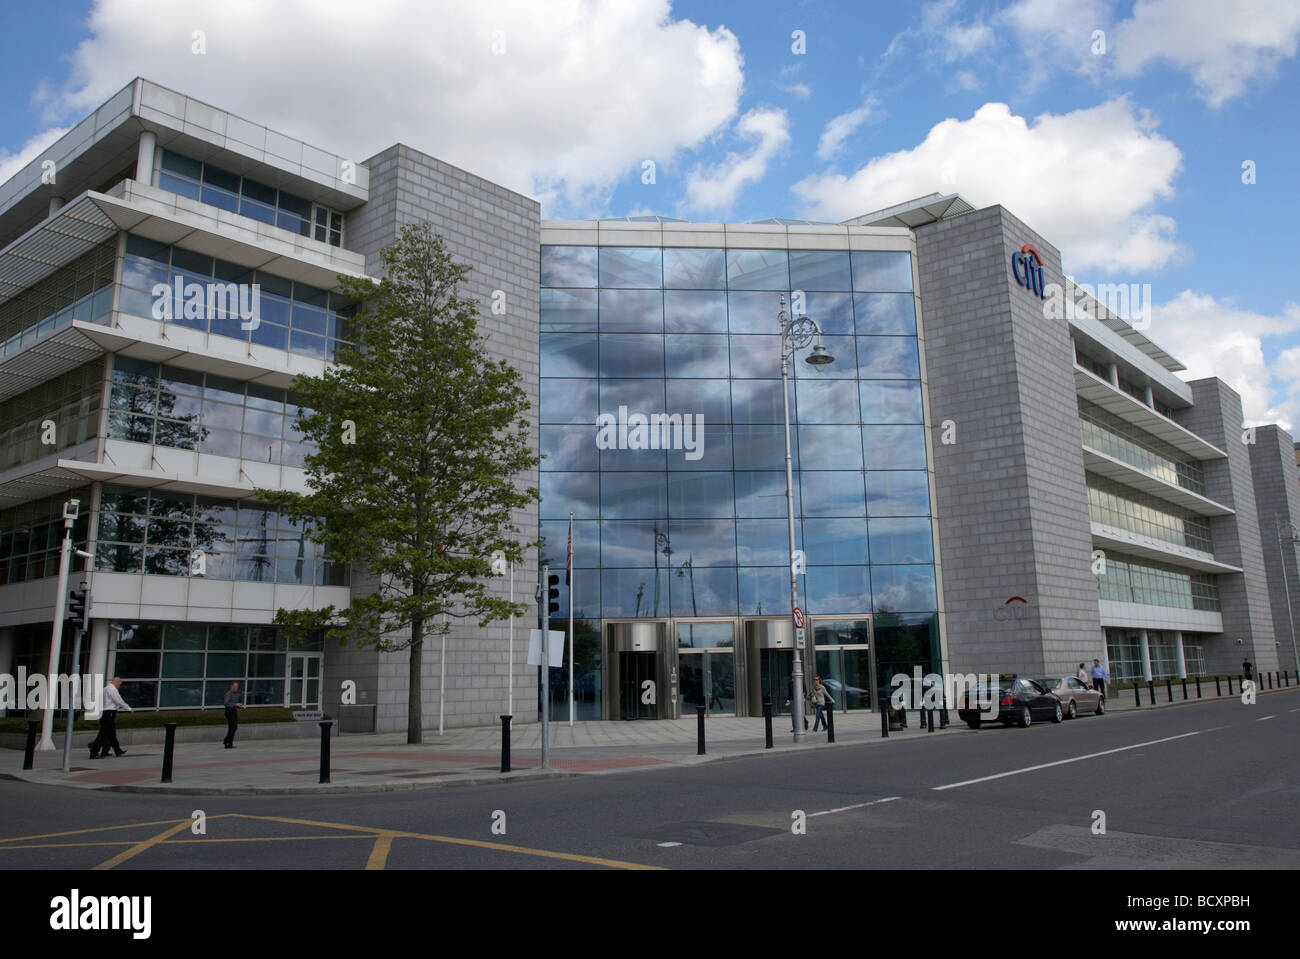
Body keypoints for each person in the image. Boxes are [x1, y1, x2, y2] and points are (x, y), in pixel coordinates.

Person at [88, 677, 132, 759]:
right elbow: (118, 700)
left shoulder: (105, 689)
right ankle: (93, 752)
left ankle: (117, 750)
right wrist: (128, 708)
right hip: (110, 713)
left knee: (111, 734)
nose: (119, 685)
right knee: (103, 734)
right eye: (119, 683)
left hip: (106, 713)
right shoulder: (112, 690)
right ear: (116, 682)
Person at [222, 681, 244, 748]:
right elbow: (226, 703)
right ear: (232, 686)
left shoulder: (236, 694)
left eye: (237, 686)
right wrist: (235, 704)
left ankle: (229, 742)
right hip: (229, 712)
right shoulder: (228, 694)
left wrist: (238, 706)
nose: (236, 688)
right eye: (235, 686)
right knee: (233, 727)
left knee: (234, 727)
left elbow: (233, 704)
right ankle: (226, 741)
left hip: (234, 711)